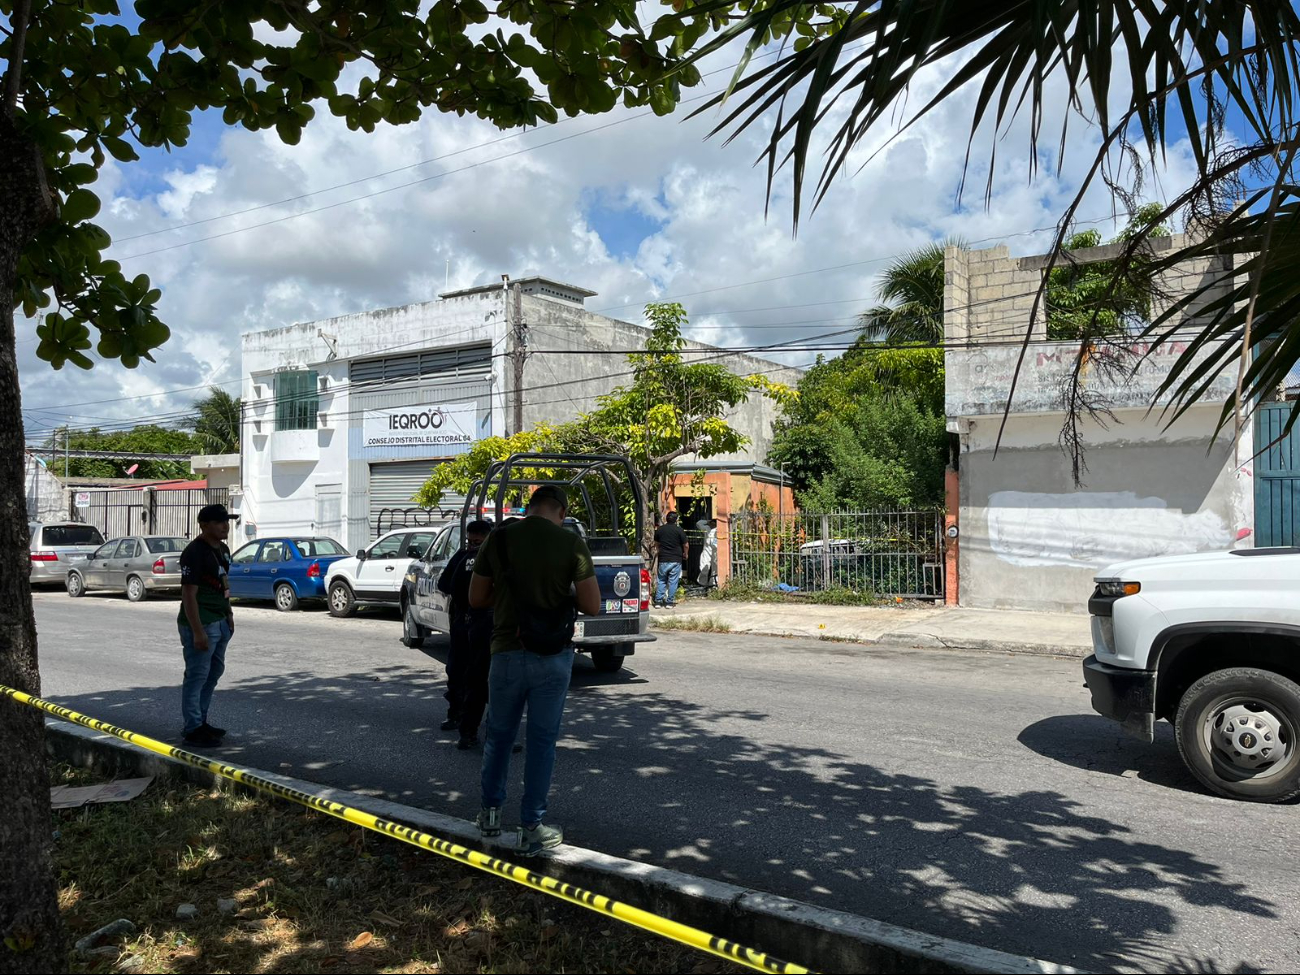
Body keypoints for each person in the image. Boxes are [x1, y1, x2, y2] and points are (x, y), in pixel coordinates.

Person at [469, 485, 600, 856]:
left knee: (499, 737)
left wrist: (510, 593)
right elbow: (591, 605)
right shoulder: (570, 543)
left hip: (506, 653)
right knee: (542, 743)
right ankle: (531, 827)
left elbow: (476, 598)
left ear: (529, 508)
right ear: (560, 512)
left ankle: (490, 815)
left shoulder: (500, 539)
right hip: (553, 656)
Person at [177, 504, 236, 747]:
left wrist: (229, 613)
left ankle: (201, 720)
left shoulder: (222, 549)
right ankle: (192, 728)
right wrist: (198, 631)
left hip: (220, 620)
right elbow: (188, 595)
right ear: (204, 525)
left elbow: (223, 584)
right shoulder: (194, 552)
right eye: (219, 521)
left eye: (226, 520)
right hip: (201, 623)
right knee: (197, 675)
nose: (225, 525)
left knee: (213, 673)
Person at [437, 519, 494, 748]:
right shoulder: (469, 557)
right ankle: (463, 723)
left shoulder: (478, 556)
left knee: (473, 677)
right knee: (469, 675)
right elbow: (444, 583)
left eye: (477, 542)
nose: (472, 545)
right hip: (471, 624)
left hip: (472, 624)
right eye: (470, 541)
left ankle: (466, 726)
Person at [653, 511, 688, 607]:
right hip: (676, 559)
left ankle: (658, 602)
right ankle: (669, 602)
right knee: (673, 581)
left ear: (666, 519)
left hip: (663, 558)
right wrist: (686, 554)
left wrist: (659, 550)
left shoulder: (660, 530)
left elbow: (656, 543)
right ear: (676, 520)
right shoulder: (679, 530)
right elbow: (686, 545)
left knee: (661, 580)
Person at [697, 518, 719, 590]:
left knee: (715, 567)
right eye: (711, 523)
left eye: (713, 523)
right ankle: (702, 583)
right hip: (707, 549)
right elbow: (698, 523)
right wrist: (707, 521)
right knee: (704, 565)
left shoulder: (718, 529)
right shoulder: (706, 528)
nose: (711, 525)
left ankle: (713, 584)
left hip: (716, 550)